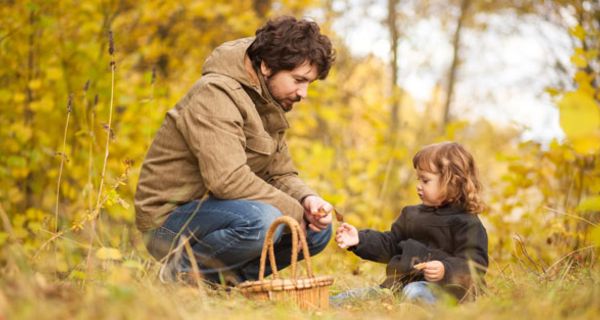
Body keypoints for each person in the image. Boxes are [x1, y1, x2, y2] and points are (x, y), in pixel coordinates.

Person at [134, 16, 336, 285]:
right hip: (168, 223)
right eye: (298, 80)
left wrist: (307, 201)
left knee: (317, 230)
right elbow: (227, 181)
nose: (304, 93)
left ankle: (221, 284)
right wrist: (293, 211)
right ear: (266, 65)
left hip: (220, 213)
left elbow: (280, 173)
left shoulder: (268, 103)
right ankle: (176, 275)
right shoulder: (215, 94)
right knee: (263, 221)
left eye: (309, 83)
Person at [334, 142, 488, 304]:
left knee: (414, 292)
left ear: (452, 183)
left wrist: (446, 269)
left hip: (446, 291)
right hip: (399, 287)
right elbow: (390, 244)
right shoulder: (411, 215)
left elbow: (475, 264)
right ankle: (324, 304)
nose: (418, 186)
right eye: (418, 179)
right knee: (355, 296)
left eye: (425, 181)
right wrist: (359, 239)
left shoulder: (467, 223)